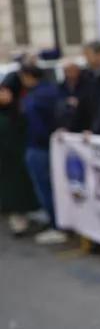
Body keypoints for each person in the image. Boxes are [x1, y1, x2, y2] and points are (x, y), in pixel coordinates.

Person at [18, 63, 66, 245]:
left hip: (40, 146)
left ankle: (56, 224)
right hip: (42, 144)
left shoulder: (39, 96)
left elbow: (39, 123)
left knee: (45, 187)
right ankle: (52, 218)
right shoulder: (46, 91)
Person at [0, 74, 39, 235]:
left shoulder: (21, 109)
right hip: (6, 158)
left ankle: (21, 218)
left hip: (18, 156)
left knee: (19, 190)